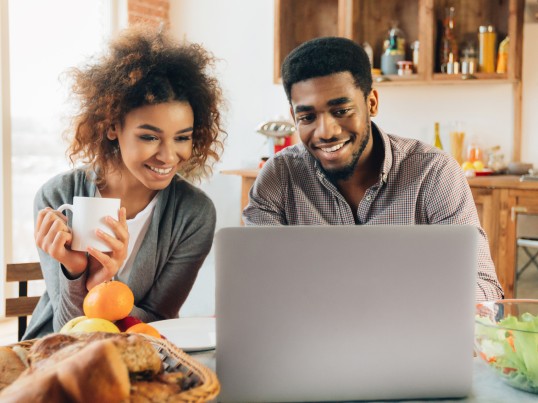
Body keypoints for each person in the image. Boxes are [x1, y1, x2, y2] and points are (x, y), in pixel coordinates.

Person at [243, 36, 503, 302]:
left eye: (341, 110)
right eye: (307, 117)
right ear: (293, 117)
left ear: (372, 103)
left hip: (410, 336)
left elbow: (483, 289)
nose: (326, 132)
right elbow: (259, 287)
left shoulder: (433, 173)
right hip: (312, 338)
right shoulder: (279, 177)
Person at [24, 24, 226, 339]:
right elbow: (67, 330)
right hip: (53, 357)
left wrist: (104, 286)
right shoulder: (58, 195)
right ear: (112, 127)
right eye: (149, 137)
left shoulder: (193, 213)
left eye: (182, 138)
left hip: (138, 360)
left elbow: (158, 322)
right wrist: (75, 272)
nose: (168, 156)